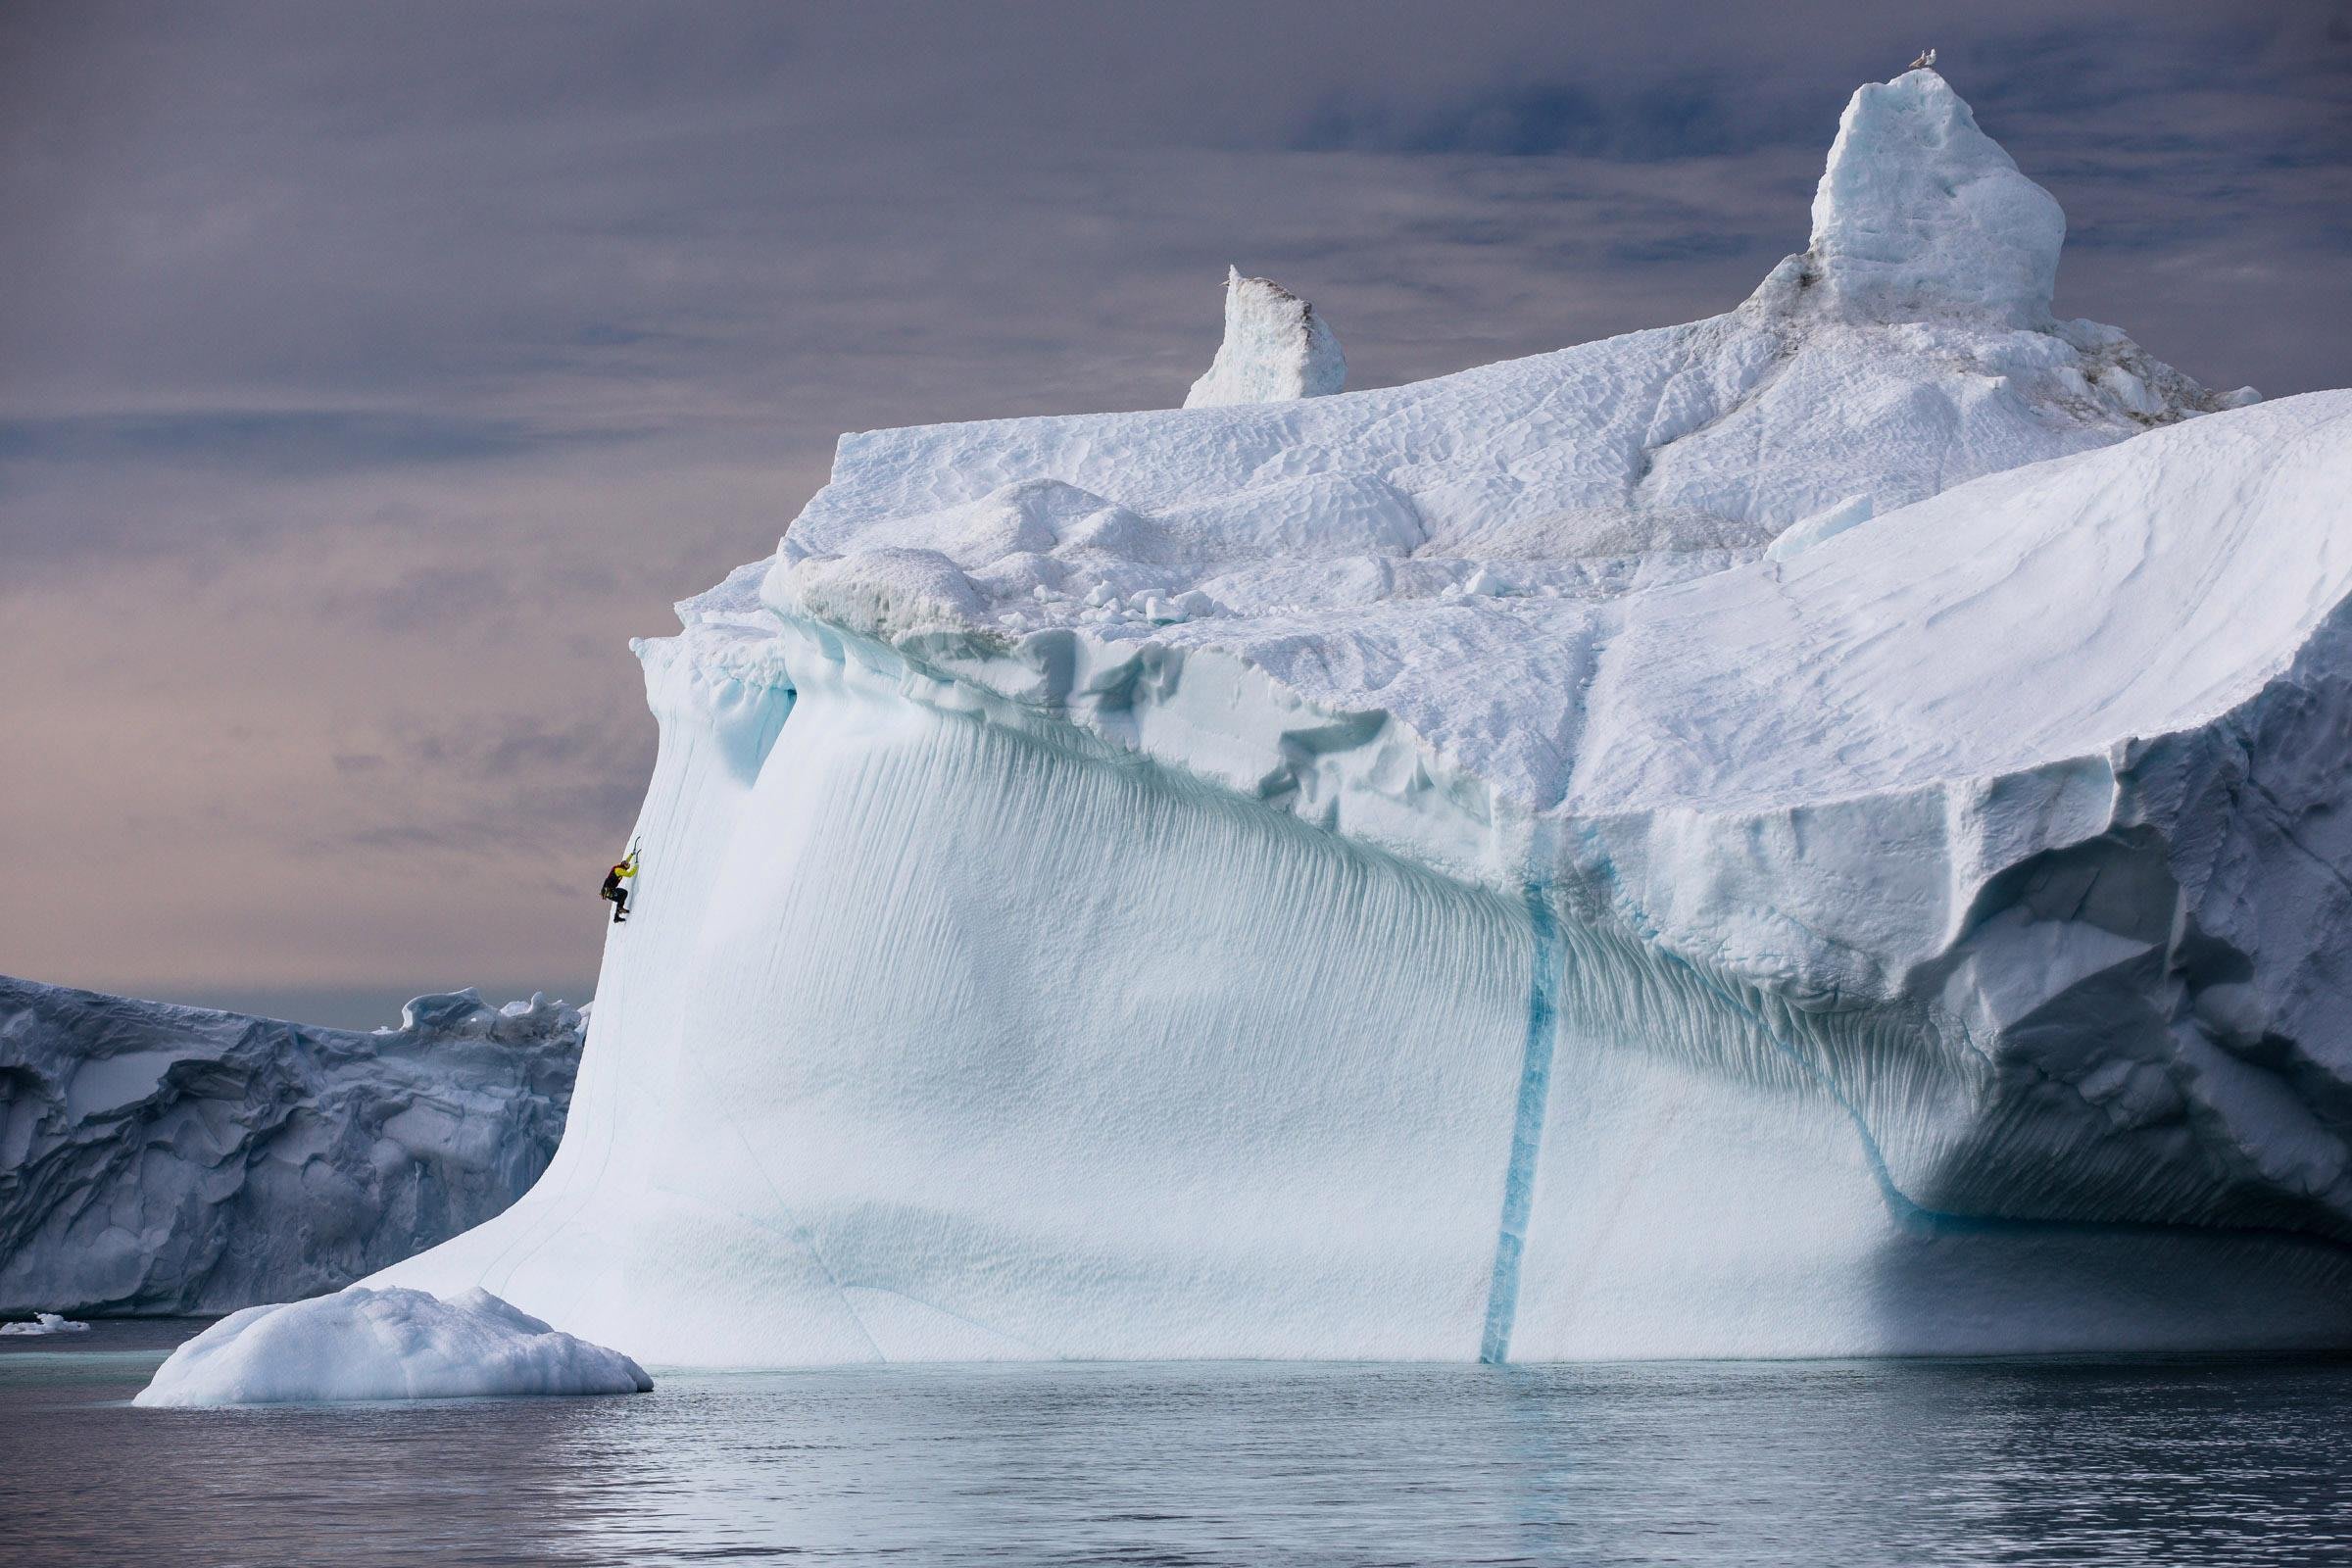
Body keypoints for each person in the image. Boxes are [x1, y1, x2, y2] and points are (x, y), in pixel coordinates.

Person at [602, 850, 639, 924]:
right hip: (609, 891)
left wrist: (632, 854)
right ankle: (619, 909)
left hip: (608, 890)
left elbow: (626, 861)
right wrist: (636, 866)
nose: (626, 863)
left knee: (620, 898)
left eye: (626, 864)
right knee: (624, 893)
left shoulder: (619, 867)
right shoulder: (619, 870)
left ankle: (616, 917)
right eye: (626, 864)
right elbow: (629, 874)